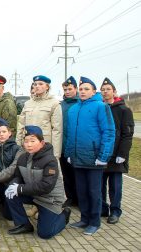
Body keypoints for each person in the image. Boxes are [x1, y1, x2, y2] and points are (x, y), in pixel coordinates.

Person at [65, 76, 115, 235]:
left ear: (94, 91)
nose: (83, 91)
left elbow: (109, 132)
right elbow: (69, 134)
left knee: (94, 192)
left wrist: (103, 156)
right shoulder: (73, 109)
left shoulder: (101, 107)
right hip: (77, 158)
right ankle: (84, 219)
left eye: (86, 89)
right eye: (81, 89)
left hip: (94, 158)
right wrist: (69, 153)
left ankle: (94, 222)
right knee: (81, 191)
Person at [5, 125, 70, 239]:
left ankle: (64, 215)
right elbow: (17, 176)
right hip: (34, 195)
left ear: (42, 142)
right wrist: (12, 186)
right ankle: (24, 225)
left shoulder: (50, 160)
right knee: (10, 194)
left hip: (49, 199)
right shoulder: (22, 158)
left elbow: (46, 186)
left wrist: (19, 188)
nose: (29, 145)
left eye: (32, 141)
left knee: (45, 234)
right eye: (26, 141)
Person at [16, 75, 63, 218]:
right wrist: (19, 143)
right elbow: (21, 125)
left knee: (48, 178)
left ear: (47, 86)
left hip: (45, 148)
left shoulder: (54, 104)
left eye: (40, 84)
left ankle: (54, 206)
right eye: (35, 84)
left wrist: (56, 152)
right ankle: (35, 206)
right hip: (29, 146)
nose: (37, 86)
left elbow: (57, 129)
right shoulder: (28, 104)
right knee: (30, 176)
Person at [100, 77, 134, 224]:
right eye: (102, 90)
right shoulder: (100, 108)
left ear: (114, 91)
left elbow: (127, 134)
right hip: (102, 154)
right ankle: (102, 208)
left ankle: (115, 211)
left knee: (115, 186)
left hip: (116, 154)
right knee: (100, 184)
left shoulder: (124, 110)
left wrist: (123, 154)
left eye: (108, 89)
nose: (105, 92)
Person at [60, 76, 79, 207]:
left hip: (76, 146)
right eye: (65, 89)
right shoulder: (61, 105)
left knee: (77, 175)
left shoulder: (80, 103)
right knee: (66, 175)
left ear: (76, 89)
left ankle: (79, 198)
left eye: (70, 89)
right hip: (62, 145)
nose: (67, 92)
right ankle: (70, 197)